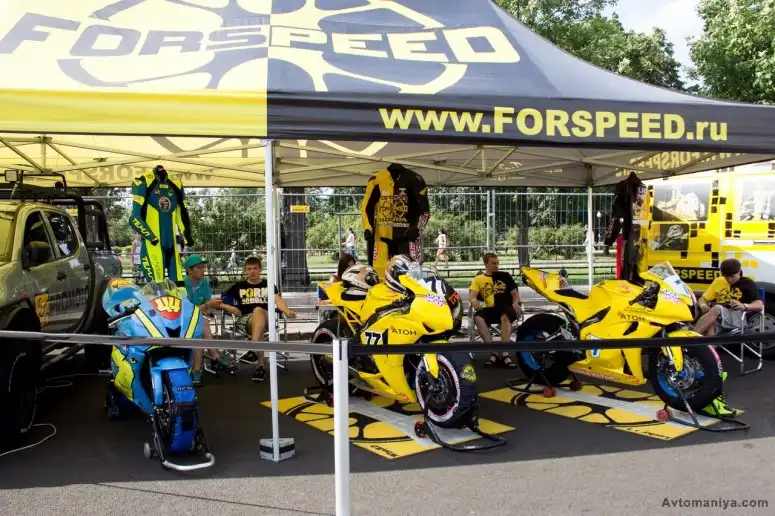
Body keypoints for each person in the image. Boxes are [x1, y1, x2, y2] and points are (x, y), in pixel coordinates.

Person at [221, 256, 297, 383]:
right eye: (249, 269)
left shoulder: (268, 285)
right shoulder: (238, 287)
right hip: (246, 320)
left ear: (260, 269)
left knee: (258, 310)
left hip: (267, 319)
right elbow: (220, 301)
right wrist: (229, 307)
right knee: (258, 325)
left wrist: (287, 311)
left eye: (255, 268)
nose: (252, 271)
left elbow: (278, 301)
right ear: (245, 270)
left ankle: (253, 350)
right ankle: (260, 367)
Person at [130, 164, 193, 285]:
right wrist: (151, 237)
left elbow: (182, 213)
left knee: (179, 284)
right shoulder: (143, 181)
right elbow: (134, 219)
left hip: (172, 245)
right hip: (153, 245)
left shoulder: (175, 183)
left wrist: (187, 237)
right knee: (157, 287)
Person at [183, 255, 240, 386]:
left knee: (200, 326)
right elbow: (187, 310)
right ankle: (215, 357)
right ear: (189, 270)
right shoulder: (182, 285)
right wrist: (208, 306)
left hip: (199, 321)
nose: (203, 270)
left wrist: (212, 308)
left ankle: (197, 370)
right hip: (183, 321)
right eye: (199, 268)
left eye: (203, 267)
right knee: (201, 322)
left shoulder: (204, 282)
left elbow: (208, 303)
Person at [469, 252, 522, 368]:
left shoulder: (505, 276)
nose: (496, 265)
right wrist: (474, 302)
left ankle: (505, 353)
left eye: (497, 263)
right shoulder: (478, 279)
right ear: (485, 264)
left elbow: (515, 294)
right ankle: (493, 352)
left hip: (506, 307)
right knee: (478, 317)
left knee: (505, 317)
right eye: (493, 263)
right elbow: (472, 296)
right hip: (490, 308)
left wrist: (515, 303)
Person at [694, 258, 763, 337]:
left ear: (739, 272)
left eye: (732, 276)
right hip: (718, 317)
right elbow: (702, 299)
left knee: (717, 308)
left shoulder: (747, 283)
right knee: (710, 327)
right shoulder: (718, 281)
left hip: (737, 317)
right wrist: (703, 305)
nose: (729, 279)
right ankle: (705, 343)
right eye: (726, 276)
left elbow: (760, 305)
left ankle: (690, 339)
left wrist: (743, 305)